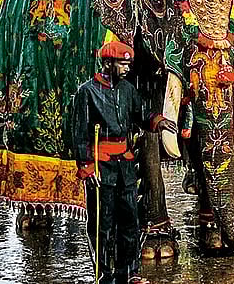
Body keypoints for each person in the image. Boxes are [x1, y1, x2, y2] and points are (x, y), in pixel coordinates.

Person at [71, 41, 176, 284]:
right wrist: (86, 166)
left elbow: (141, 113)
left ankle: (130, 273)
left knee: (130, 222)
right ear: (108, 64)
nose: (127, 68)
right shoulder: (87, 92)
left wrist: (157, 121)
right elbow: (78, 133)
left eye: (129, 63)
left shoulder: (128, 89)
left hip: (125, 167)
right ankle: (104, 275)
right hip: (101, 167)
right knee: (103, 225)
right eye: (123, 63)